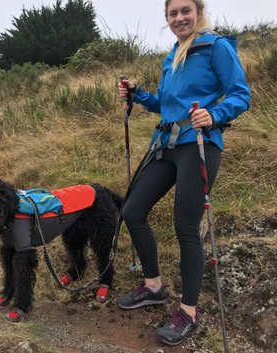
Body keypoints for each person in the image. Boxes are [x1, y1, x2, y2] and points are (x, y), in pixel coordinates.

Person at [117, 0, 250, 346]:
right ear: (167, 19)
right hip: (167, 144)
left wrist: (215, 114)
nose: (179, 18)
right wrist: (139, 95)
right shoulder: (171, 56)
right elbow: (166, 103)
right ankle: (154, 287)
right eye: (173, 13)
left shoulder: (215, 47)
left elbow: (240, 94)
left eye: (185, 11)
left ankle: (189, 313)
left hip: (200, 144)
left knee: (185, 226)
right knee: (132, 210)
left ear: (199, 12)